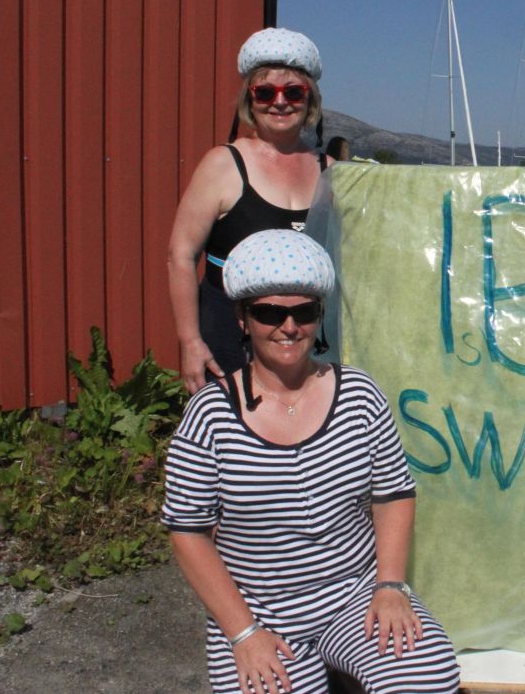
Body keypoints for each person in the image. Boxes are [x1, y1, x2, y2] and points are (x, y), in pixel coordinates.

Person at [162, 229, 461, 694]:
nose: (289, 326)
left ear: (318, 316)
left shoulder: (359, 395)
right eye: (269, 312)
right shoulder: (211, 414)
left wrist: (390, 586)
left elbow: (393, 495)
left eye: (303, 312)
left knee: (428, 679)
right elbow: (187, 531)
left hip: (354, 593)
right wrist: (243, 633)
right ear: (243, 318)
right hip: (259, 609)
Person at [168, 28, 329, 393]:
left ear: (310, 99)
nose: (280, 102)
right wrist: (190, 342)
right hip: (229, 342)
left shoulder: (330, 172)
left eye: (293, 92)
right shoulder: (222, 165)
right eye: (265, 92)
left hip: (303, 346)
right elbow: (180, 255)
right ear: (249, 99)